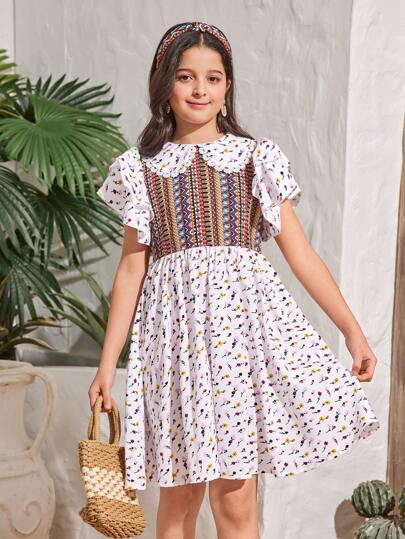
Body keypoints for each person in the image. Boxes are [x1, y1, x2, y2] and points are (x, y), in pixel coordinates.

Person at [88, 21, 380, 539]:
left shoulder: (255, 158)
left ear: (227, 87)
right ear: (164, 84)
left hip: (239, 345)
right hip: (173, 344)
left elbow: (301, 254)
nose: (199, 89)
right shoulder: (139, 169)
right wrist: (107, 366)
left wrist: (352, 332)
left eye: (213, 78)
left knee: (236, 499)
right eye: (185, 77)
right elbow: (131, 271)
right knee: (178, 497)